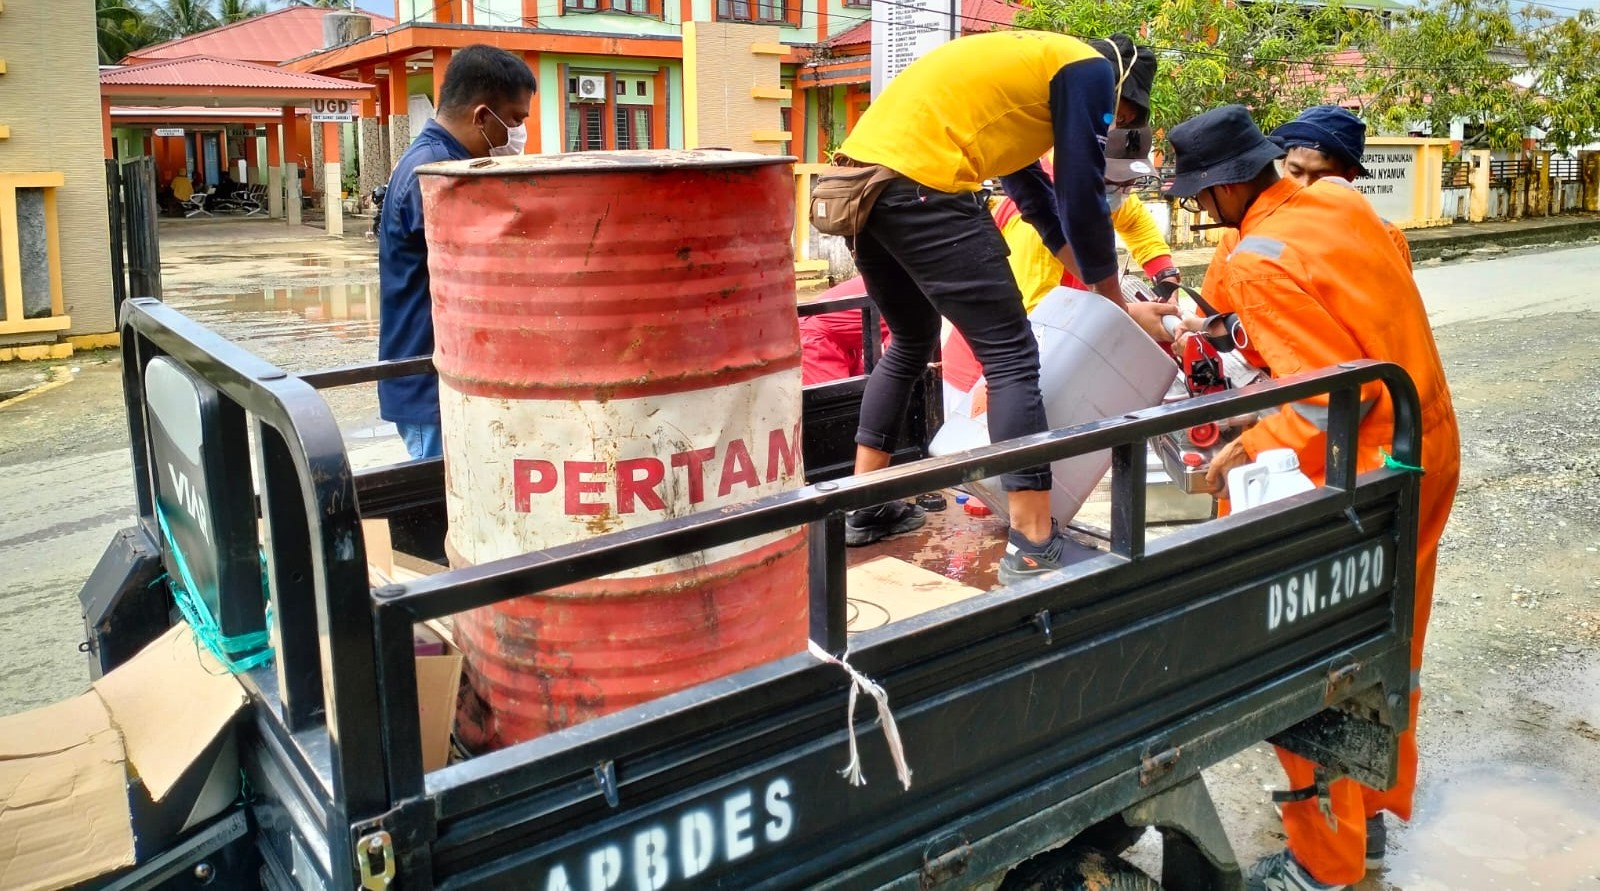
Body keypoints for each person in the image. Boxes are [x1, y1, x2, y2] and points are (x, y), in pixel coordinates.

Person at [1163, 105, 1460, 891]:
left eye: (1199, 196)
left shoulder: (1256, 258)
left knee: (1301, 658)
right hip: (1425, 442)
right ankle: (1366, 832)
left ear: (1227, 186)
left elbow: (1331, 399)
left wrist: (1237, 450)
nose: (1198, 211)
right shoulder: (1340, 202)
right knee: (1385, 641)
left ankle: (1319, 866)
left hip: (1358, 468)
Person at [831, 30, 1176, 583]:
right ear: (1121, 87)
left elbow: (1038, 202)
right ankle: (1035, 541)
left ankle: (863, 506)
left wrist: (1102, 294)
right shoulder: (1089, 69)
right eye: (1126, 114)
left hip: (862, 186)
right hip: (924, 185)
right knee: (1013, 355)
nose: (1115, 128)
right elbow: (1081, 199)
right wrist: (1115, 306)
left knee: (911, 341)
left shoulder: (1023, 85)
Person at [946, 129, 1182, 414]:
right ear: (1084, 170)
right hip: (985, 375)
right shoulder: (1040, 223)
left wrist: (1165, 276)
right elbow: (1036, 319)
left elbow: (1135, 222)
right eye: (1117, 183)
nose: (1123, 192)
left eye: (1129, 184)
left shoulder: (1097, 190)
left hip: (1041, 361)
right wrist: (1129, 316)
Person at [378, 45, 535, 460]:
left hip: (439, 380)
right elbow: (487, 273)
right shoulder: (436, 176)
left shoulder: (440, 161)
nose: (517, 133)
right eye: (515, 119)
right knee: (440, 512)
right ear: (483, 116)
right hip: (430, 388)